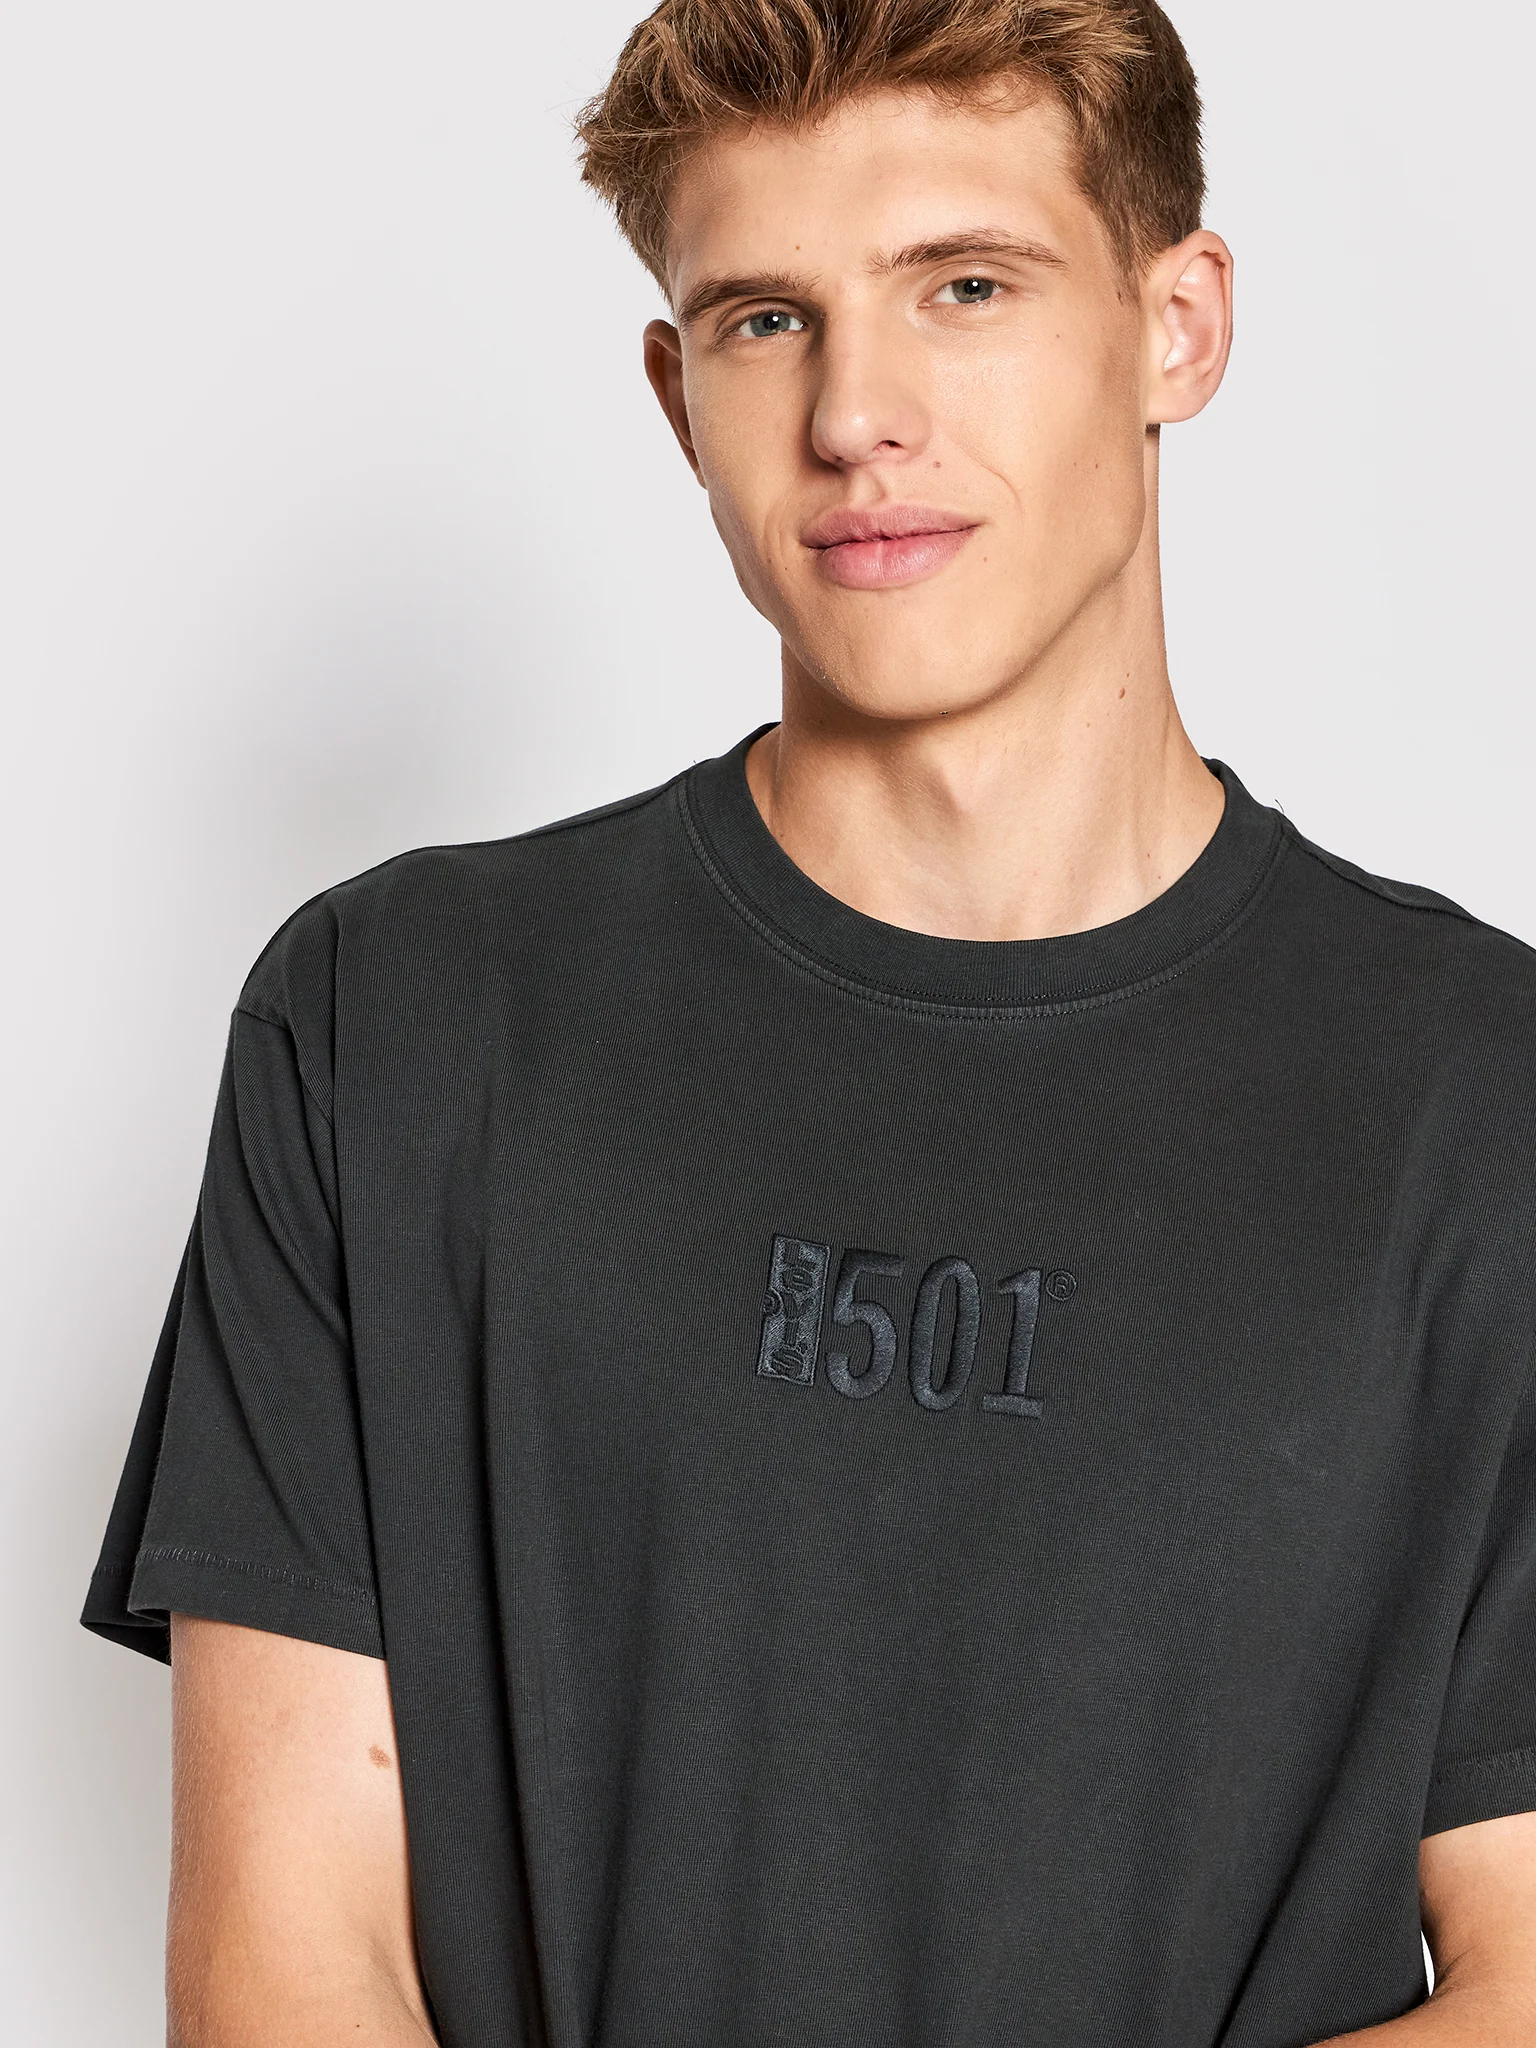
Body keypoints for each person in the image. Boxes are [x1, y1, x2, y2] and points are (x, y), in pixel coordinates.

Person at [83, 0, 1536, 2041]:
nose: (857, 413)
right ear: (678, 395)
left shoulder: (1481, 1099)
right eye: (767, 320)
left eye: (965, 286)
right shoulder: (391, 1023)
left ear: (1178, 325)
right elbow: (286, 1966)